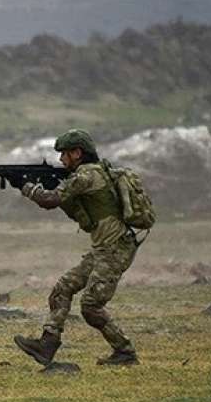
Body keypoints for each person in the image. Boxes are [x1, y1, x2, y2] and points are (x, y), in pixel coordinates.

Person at [14, 129, 140, 366]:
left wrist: (25, 186)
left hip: (115, 249)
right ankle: (47, 345)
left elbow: (49, 200)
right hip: (104, 249)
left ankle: (125, 352)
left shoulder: (87, 176)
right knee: (62, 289)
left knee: (91, 306)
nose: (61, 160)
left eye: (64, 154)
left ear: (77, 153)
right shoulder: (89, 173)